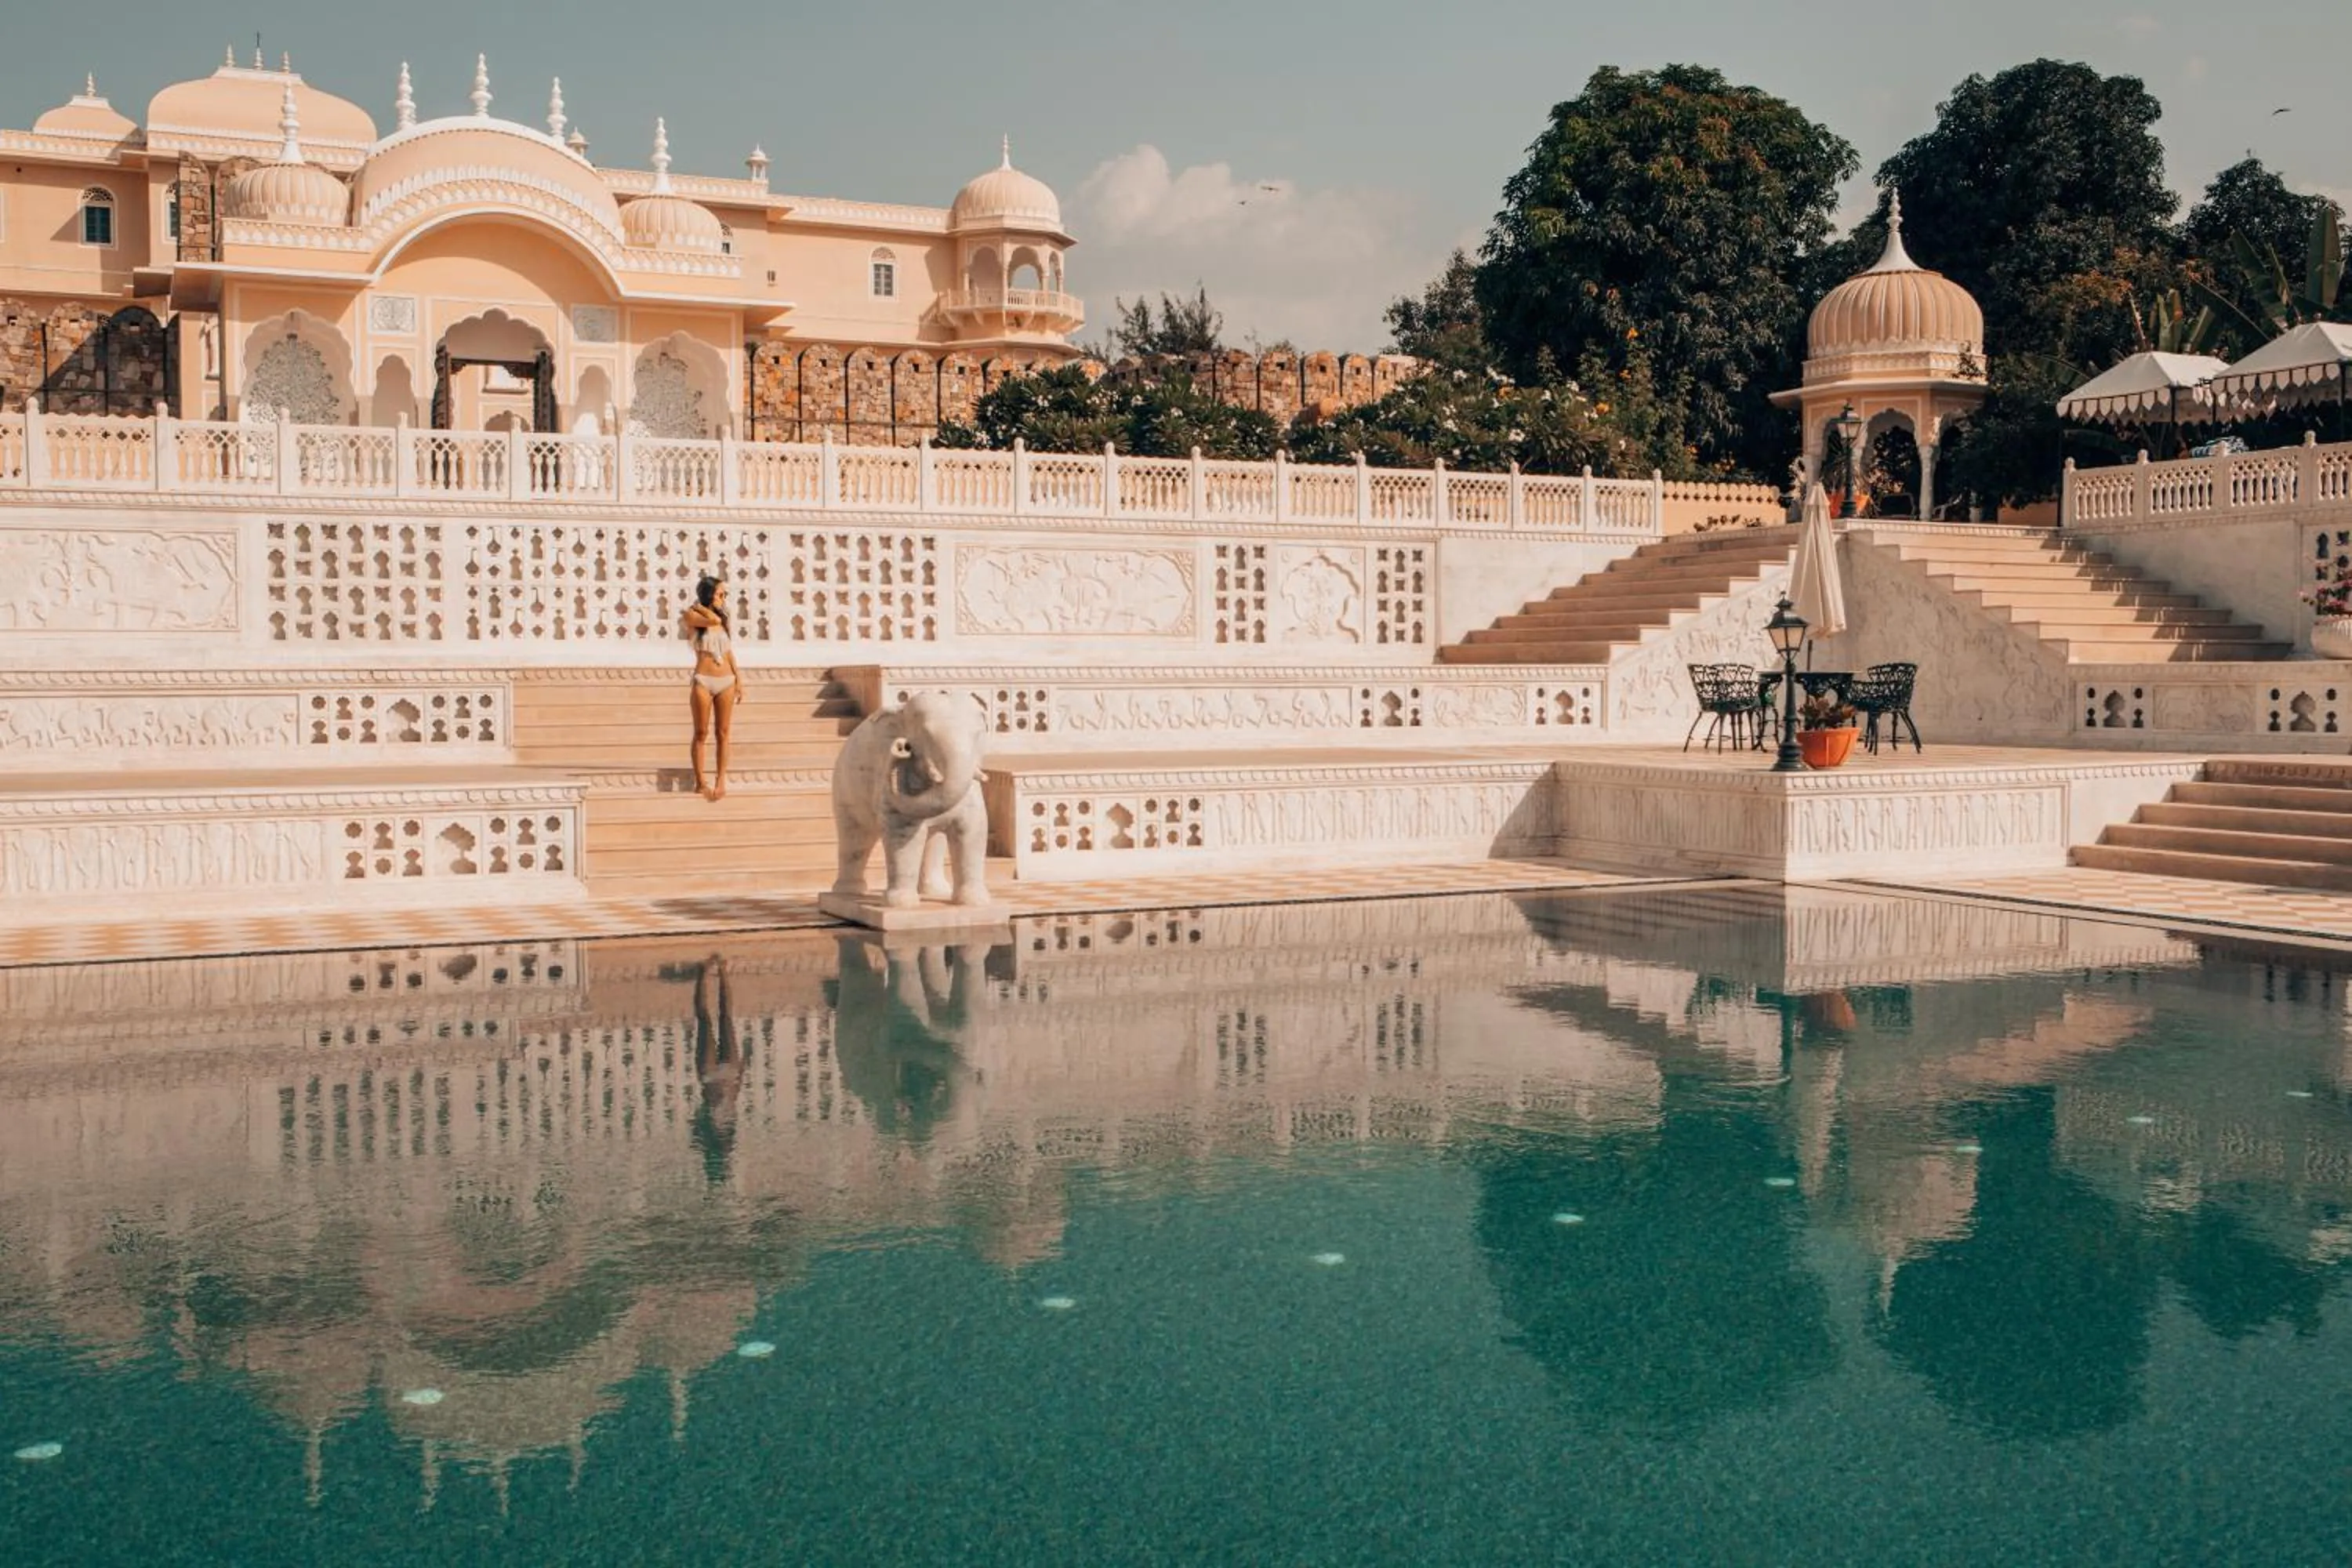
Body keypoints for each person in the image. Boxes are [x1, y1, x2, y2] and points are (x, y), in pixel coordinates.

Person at [683, 575, 744, 800]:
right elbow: (712, 623)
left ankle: (720, 779)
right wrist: (702, 607)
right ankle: (700, 781)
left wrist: (739, 679)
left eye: (725, 594)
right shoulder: (692, 616)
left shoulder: (722, 618)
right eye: (720, 594)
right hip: (703, 680)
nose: (723, 598)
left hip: (726, 679)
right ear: (708, 594)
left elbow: (728, 651)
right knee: (701, 732)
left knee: (723, 733)